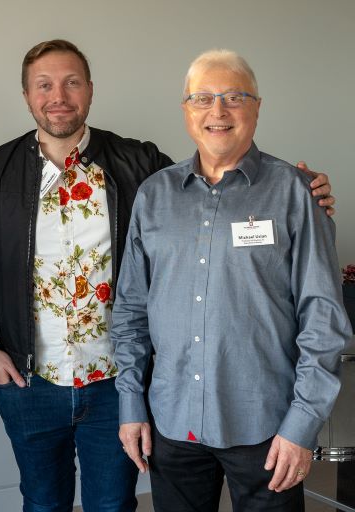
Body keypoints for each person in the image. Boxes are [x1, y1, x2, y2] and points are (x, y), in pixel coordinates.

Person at [0, 39, 335, 512]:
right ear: (26, 95)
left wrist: (310, 194)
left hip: (118, 381)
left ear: (90, 90)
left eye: (71, 82)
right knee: (41, 502)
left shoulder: (138, 166)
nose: (58, 95)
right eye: (44, 85)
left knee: (113, 503)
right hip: (34, 380)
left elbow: (213, 184)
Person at [112, 49, 352, 512]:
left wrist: (301, 425)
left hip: (268, 427)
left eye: (234, 97)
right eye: (202, 98)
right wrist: (130, 405)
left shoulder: (296, 194)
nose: (217, 111)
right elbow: (131, 312)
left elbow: (322, 319)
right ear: (185, 110)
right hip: (172, 421)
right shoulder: (154, 196)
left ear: (257, 107)